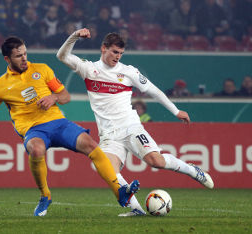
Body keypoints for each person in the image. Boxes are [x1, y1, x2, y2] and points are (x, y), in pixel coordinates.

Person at [0, 36, 140, 217]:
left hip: (58, 124)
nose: (24, 58)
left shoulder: (42, 70)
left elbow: (65, 96)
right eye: (19, 56)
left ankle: (119, 192)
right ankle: (45, 196)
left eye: (25, 53)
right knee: (36, 149)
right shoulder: (0, 85)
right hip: (33, 130)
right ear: (7, 59)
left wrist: (54, 98)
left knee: (91, 144)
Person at [57, 28, 214, 217]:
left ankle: (192, 170)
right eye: (115, 52)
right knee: (108, 170)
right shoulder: (89, 69)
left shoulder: (129, 72)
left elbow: (154, 91)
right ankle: (137, 209)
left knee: (155, 161)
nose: (117, 57)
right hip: (109, 135)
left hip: (130, 127)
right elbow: (62, 55)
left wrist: (176, 110)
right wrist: (75, 35)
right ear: (103, 48)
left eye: (121, 53)